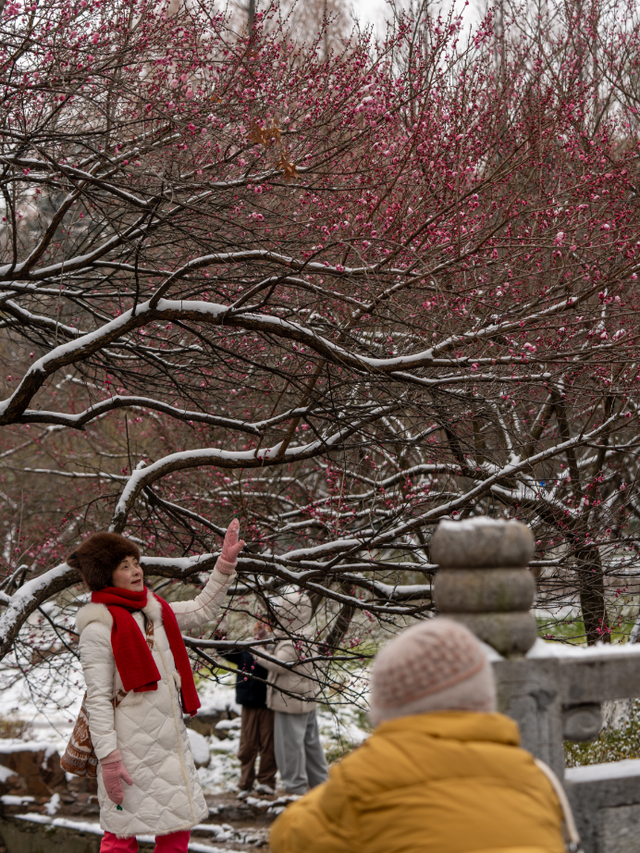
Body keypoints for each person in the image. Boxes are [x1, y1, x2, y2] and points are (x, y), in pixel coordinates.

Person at [270, 617, 567, 853]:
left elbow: (286, 837)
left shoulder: (362, 783)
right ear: (484, 700)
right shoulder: (535, 779)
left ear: (387, 707)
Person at [69, 519, 244, 853]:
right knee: (120, 840)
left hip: (168, 745)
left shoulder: (153, 611)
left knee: (177, 835)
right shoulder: (97, 628)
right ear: (106, 576)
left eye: (136, 563)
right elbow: (99, 700)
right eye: (124, 566)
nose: (136, 571)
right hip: (127, 751)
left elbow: (202, 609)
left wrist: (224, 565)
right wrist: (109, 759)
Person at [260, 590, 328, 795]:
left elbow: (278, 663)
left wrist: (256, 651)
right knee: (311, 744)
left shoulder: (292, 643)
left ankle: (295, 787)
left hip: (289, 701)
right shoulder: (305, 635)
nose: (277, 615)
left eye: (280, 611)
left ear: (289, 614)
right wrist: (266, 637)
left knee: (289, 746)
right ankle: (321, 784)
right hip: (305, 700)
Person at [218, 617, 277, 798]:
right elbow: (222, 650)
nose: (260, 626)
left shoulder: (275, 648)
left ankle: (266, 783)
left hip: (268, 705)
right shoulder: (246, 648)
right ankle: (245, 784)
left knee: (268, 746)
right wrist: (221, 631)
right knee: (247, 746)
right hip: (248, 704)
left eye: (265, 623)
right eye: (258, 622)